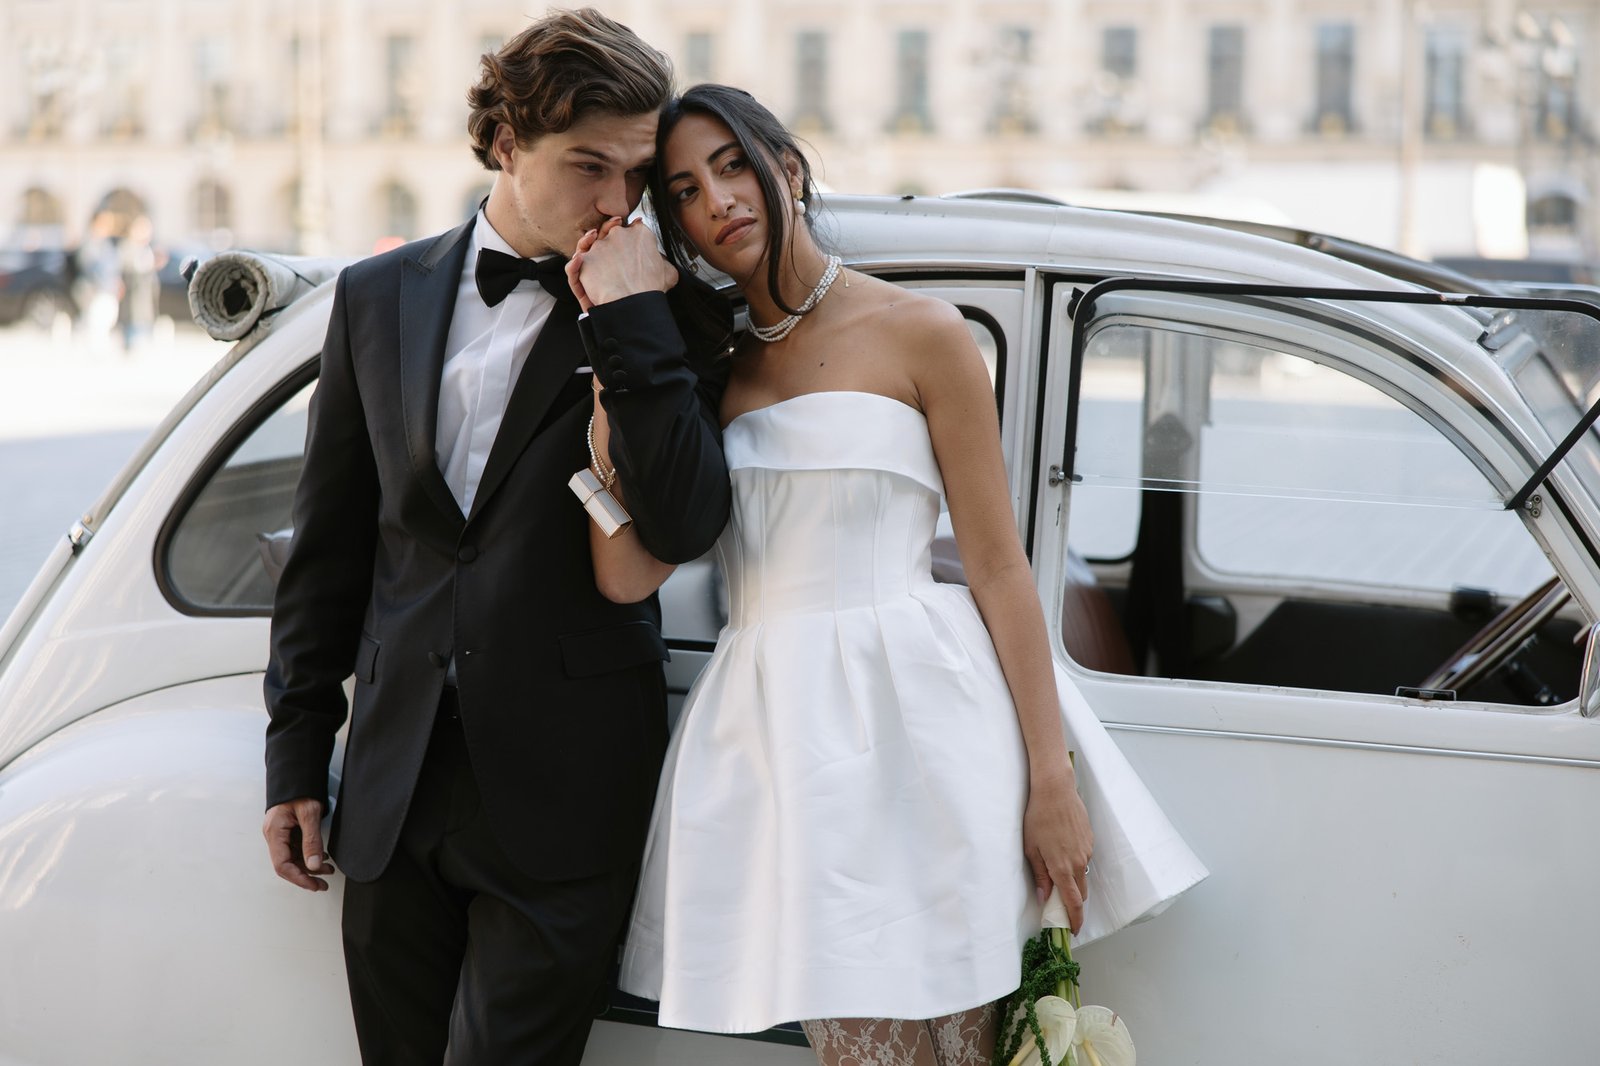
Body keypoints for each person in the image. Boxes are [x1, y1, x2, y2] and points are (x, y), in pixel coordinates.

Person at [573, 84, 1206, 1064]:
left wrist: (1051, 780)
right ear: (678, 227)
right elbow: (623, 573)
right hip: (781, 743)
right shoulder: (701, 368)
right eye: (687, 191)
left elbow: (997, 566)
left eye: (734, 166)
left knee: (974, 1047)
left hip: (931, 727)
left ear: (787, 168)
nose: (719, 200)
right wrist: (618, 355)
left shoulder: (924, 332)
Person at [259, 11, 729, 1064]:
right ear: (507, 144)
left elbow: (685, 522)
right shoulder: (375, 295)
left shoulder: (669, 308)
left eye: (636, 173)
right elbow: (334, 543)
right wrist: (296, 751)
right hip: (391, 786)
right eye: (588, 166)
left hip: (565, 795)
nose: (616, 202)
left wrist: (630, 325)